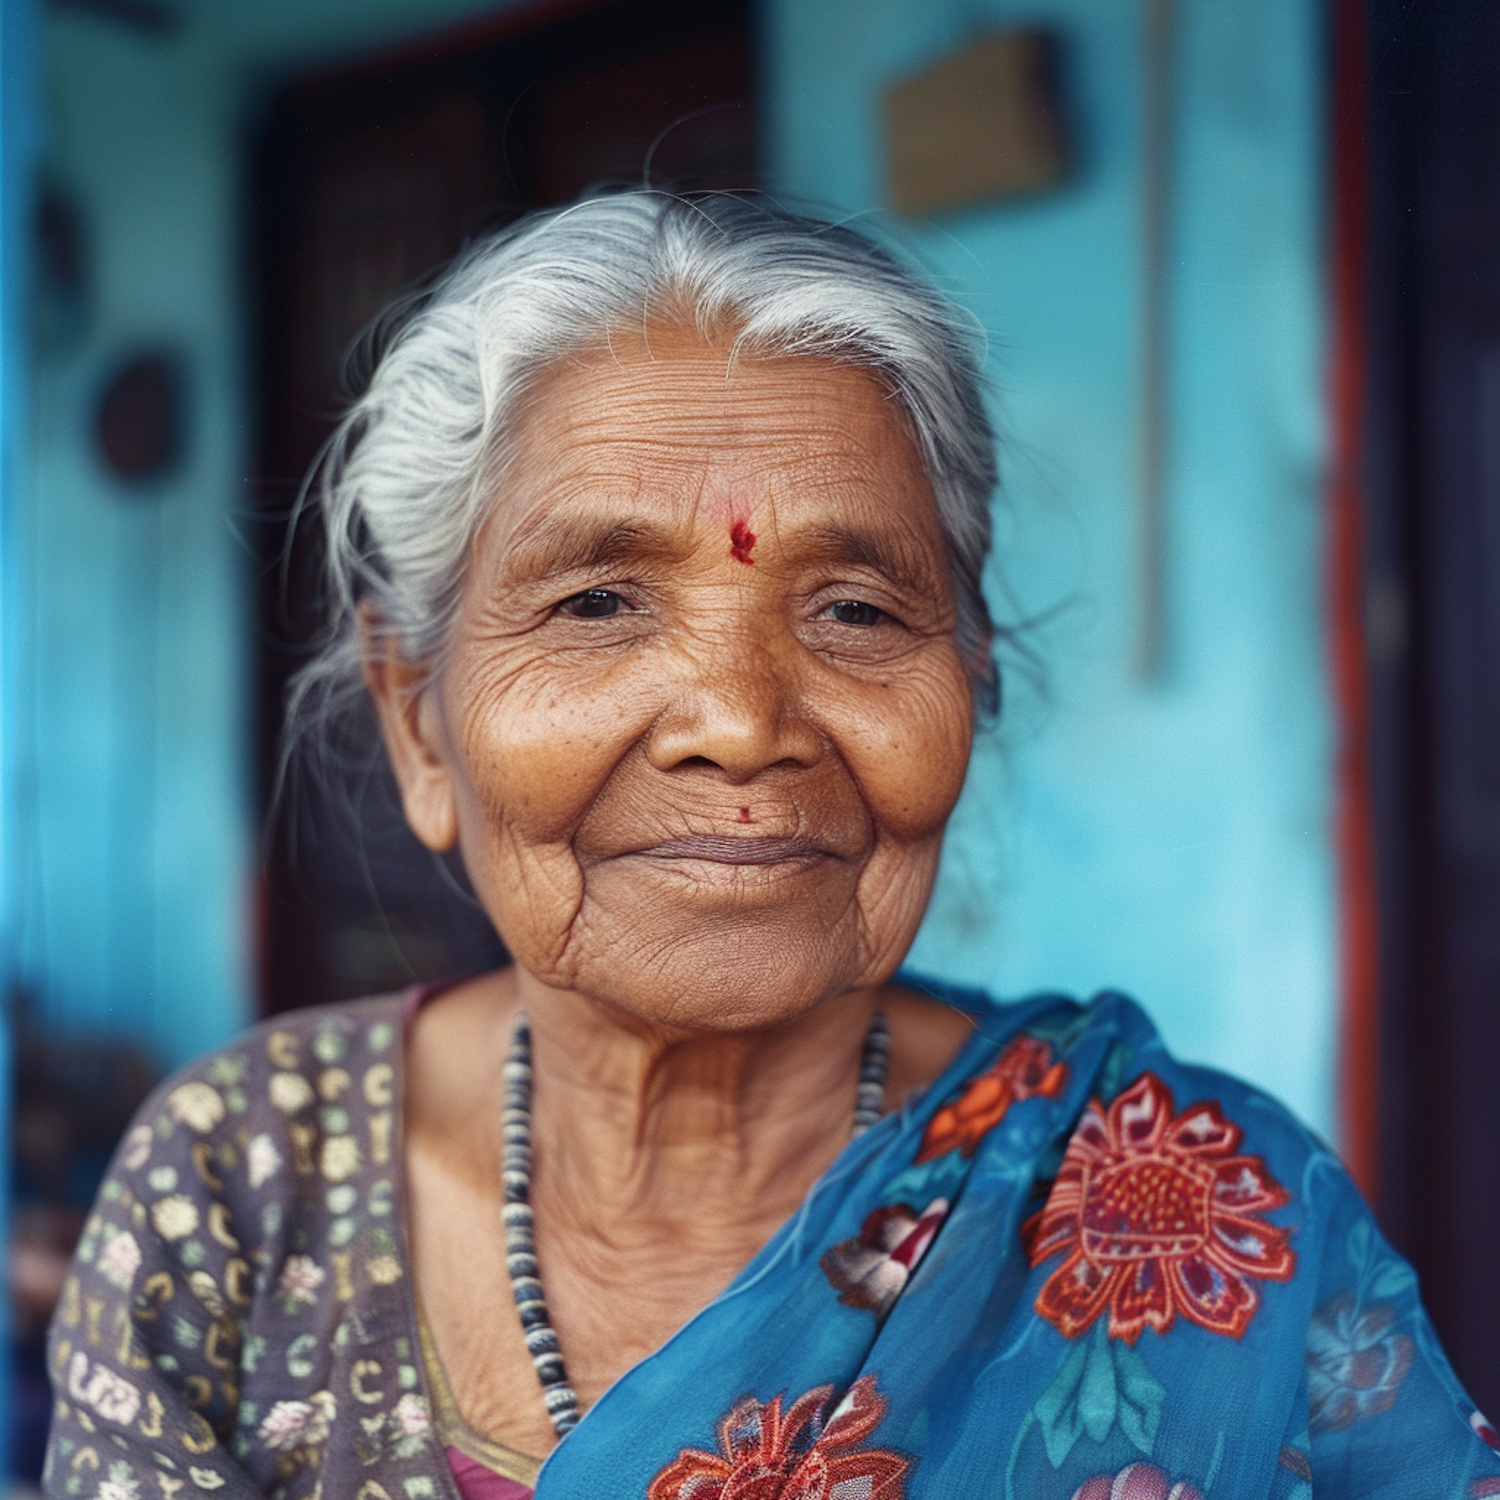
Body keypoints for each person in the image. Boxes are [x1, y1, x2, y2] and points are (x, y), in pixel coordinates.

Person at [44, 193, 1499, 1500]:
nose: (741, 726)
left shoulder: (1213, 1203)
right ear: (419, 722)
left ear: (971, 688)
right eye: (598, 602)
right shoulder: (241, 1183)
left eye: (857, 611)